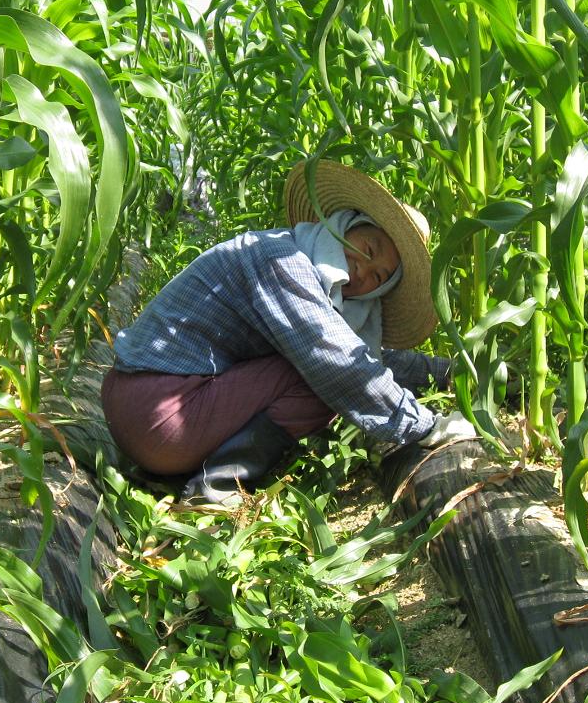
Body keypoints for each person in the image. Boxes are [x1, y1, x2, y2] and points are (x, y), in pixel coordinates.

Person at [101, 159, 478, 505]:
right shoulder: (283, 263)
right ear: (343, 227)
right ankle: (213, 489)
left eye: (379, 276)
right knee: (320, 379)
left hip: (148, 410)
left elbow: (364, 355)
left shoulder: (301, 261)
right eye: (367, 247)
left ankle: (206, 472)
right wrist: (425, 427)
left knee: (320, 362)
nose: (363, 271)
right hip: (160, 415)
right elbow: (341, 364)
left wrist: (453, 371)